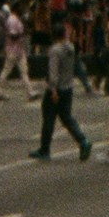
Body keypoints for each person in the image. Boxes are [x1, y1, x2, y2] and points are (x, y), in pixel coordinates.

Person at [34, 30, 93, 162]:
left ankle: (45, 149)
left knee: (49, 118)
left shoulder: (55, 51)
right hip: (68, 87)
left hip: (56, 89)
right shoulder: (70, 48)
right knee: (66, 117)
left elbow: (53, 71)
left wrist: (53, 89)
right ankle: (83, 140)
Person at [0, 1, 32, 93]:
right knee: (6, 71)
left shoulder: (16, 19)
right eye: (20, 8)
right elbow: (12, 36)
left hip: (18, 50)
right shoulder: (12, 19)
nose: (22, 10)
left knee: (23, 71)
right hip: (13, 49)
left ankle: (30, 92)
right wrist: (23, 34)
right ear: (16, 9)